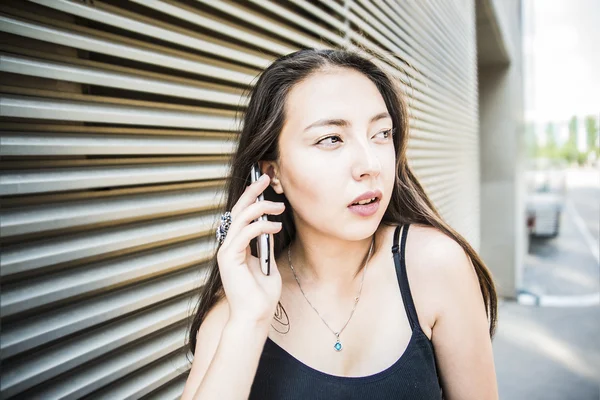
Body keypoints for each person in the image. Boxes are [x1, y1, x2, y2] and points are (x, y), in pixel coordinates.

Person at [180, 48, 498, 400]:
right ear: (272, 173)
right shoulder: (239, 306)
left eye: (381, 133)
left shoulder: (435, 266)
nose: (370, 164)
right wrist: (249, 321)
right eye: (331, 139)